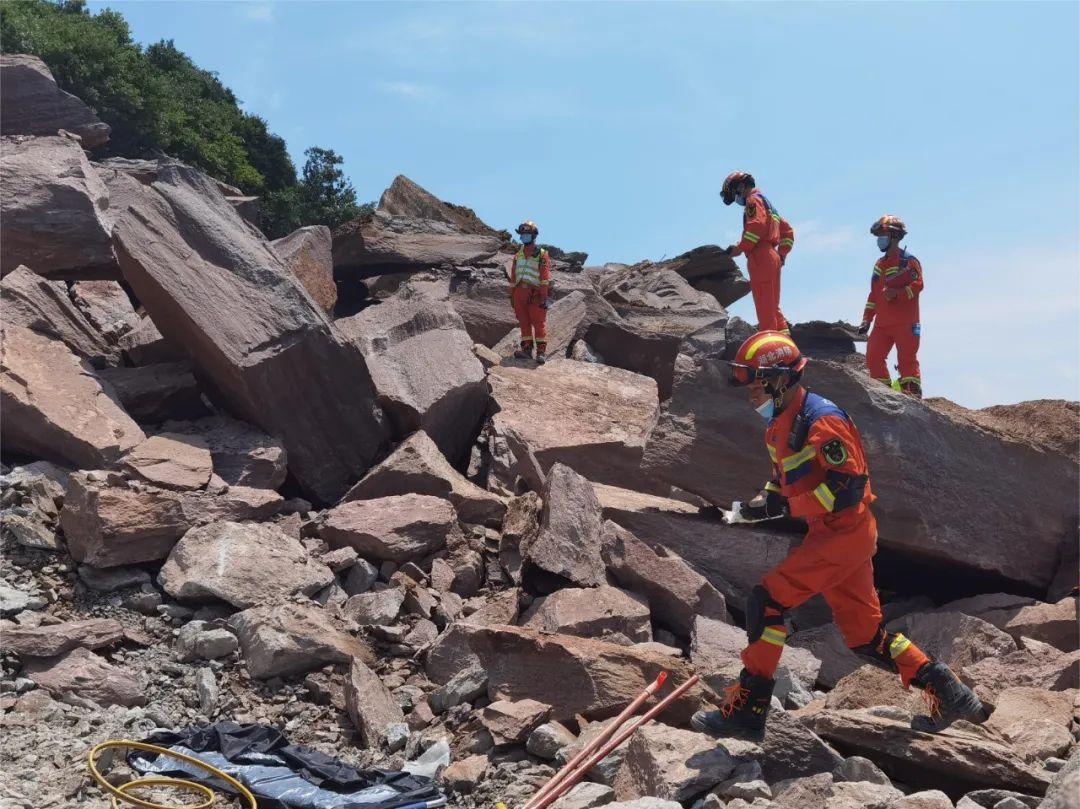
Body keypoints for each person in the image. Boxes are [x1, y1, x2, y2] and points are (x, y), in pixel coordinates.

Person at [691, 330, 986, 740]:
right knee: (865, 635)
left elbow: (846, 489)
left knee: (768, 602)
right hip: (833, 534)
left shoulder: (823, 420)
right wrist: (754, 507)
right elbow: (782, 481)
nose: (751, 396)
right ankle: (946, 689)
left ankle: (749, 710)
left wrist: (785, 508)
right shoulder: (778, 426)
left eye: (757, 385)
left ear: (781, 380)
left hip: (843, 533)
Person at [721, 171, 795, 334]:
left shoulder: (753, 200)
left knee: (764, 306)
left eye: (734, 194)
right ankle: (786, 350)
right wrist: (781, 255)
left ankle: (771, 350)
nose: (736, 199)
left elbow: (756, 227)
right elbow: (788, 232)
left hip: (760, 257)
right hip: (772, 257)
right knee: (773, 306)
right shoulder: (768, 205)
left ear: (741, 187)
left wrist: (739, 248)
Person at [859, 215, 924, 398]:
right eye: (878, 235)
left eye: (883, 235)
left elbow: (918, 285)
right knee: (873, 357)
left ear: (895, 236)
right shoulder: (879, 264)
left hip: (906, 323)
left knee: (907, 361)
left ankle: (912, 396)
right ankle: (884, 395)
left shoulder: (909, 261)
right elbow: (874, 295)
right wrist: (866, 320)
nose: (880, 239)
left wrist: (898, 294)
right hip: (882, 324)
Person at [508, 220, 552, 363]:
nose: (524, 236)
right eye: (522, 234)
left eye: (527, 233)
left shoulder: (542, 254)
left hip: (535, 293)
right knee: (523, 322)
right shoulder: (518, 255)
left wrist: (544, 296)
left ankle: (541, 352)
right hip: (519, 292)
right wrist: (512, 295)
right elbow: (514, 276)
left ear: (533, 235)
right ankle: (526, 350)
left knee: (538, 322)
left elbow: (544, 277)